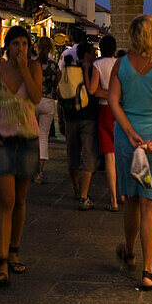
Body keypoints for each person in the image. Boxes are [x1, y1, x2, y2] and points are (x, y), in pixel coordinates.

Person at [108, 14, 152, 290]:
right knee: (150, 206)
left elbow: (113, 101)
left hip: (128, 143)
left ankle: (130, 252)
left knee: (132, 200)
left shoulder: (120, 65)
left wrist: (128, 132)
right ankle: (149, 271)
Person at [0, 24, 41, 287]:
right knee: (6, 199)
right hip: (2, 140)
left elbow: (36, 98)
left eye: (24, 44)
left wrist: (25, 70)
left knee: (20, 200)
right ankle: (2, 261)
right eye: (16, 44)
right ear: (7, 46)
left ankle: (15, 249)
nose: (20, 49)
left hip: (28, 139)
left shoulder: (35, 69)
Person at [60, 41, 100, 209]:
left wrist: (61, 118)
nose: (95, 55)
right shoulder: (91, 69)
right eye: (93, 52)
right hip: (88, 117)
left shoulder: (66, 70)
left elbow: (60, 94)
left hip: (70, 117)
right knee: (88, 154)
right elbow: (94, 90)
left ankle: (76, 188)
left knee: (72, 153)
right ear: (87, 54)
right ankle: (84, 196)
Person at [94, 34, 119, 211]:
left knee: (109, 156)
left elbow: (94, 90)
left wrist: (107, 93)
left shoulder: (97, 65)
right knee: (122, 155)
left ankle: (113, 199)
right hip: (121, 110)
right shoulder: (121, 64)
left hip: (104, 110)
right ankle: (124, 193)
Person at [33, 36, 60, 183]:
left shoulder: (32, 64)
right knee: (43, 136)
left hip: (33, 100)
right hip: (48, 101)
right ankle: (39, 172)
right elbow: (57, 81)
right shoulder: (54, 65)